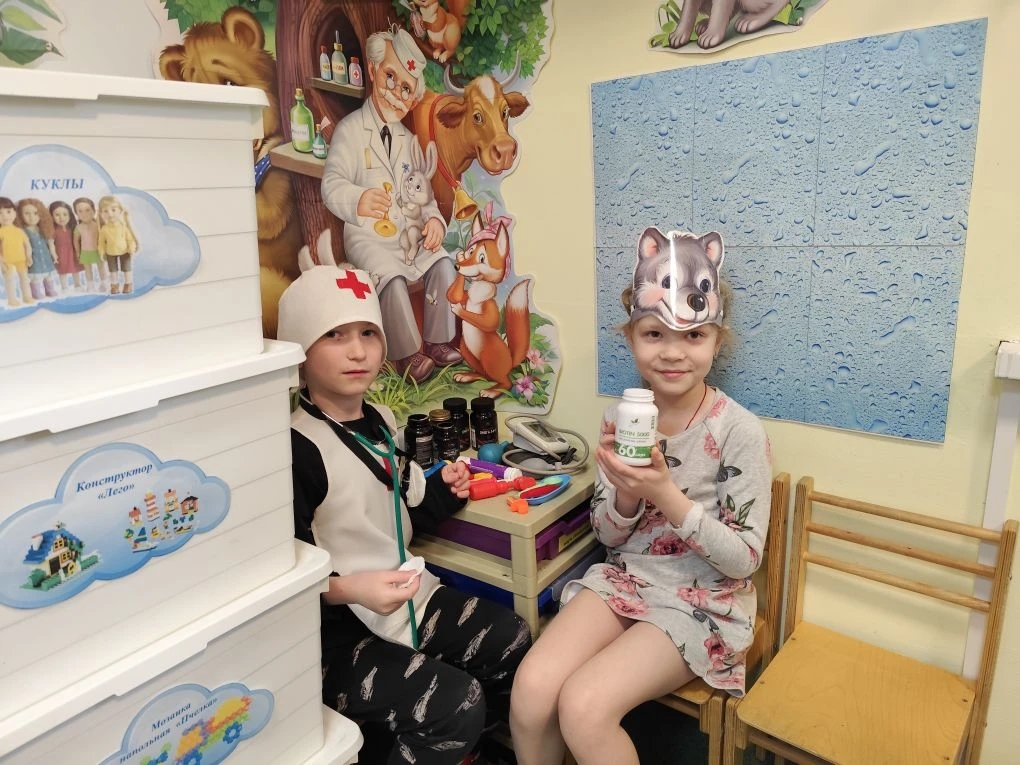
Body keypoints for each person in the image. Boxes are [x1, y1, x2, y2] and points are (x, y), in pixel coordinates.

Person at [509, 228, 772, 765]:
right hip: (626, 578)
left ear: (716, 341)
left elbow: (745, 559)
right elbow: (608, 536)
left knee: (584, 706)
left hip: (701, 598)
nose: (673, 352)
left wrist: (664, 493)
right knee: (532, 689)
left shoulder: (738, 430)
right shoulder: (622, 417)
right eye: (654, 334)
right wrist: (627, 498)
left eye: (693, 336)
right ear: (631, 338)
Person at [277, 265, 531, 765]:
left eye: (368, 333)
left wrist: (446, 489)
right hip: (337, 630)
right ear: (301, 351)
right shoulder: (296, 447)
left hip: (404, 597)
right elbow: (282, 572)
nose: (358, 351)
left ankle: (467, 752)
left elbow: (401, 506)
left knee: (512, 639)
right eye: (335, 335)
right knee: (456, 704)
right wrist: (350, 589)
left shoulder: (380, 419)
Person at [321, 25, 462, 383]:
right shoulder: (350, 131)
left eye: (406, 89)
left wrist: (434, 221)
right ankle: (407, 356)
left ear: (413, 99)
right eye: (390, 78)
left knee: (442, 261)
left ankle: (438, 342)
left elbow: (423, 193)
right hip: (368, 238)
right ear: (371, 71)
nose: (396, 93)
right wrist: (359, 199)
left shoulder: (408, 139)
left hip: (407, 236)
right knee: (393, 277)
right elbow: (331, 184)